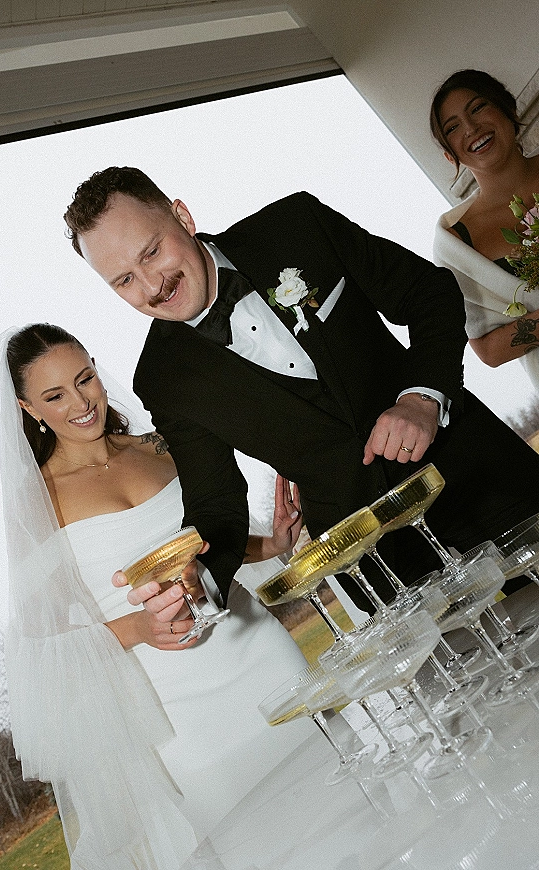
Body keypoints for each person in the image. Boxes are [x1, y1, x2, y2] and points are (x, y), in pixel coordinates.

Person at [63, 167, 539, 616]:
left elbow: (428, 292)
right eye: (124, 280)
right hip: (374, 557)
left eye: (151, 252)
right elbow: (215, 499)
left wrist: (422, 397)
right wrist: (199, 575)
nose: (152, 285)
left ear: (183, 217)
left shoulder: (294, 226)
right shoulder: (162, 380)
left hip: (479, 475)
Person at [0, 323, 312, 870]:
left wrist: (273, 544)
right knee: (255, 846)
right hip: (174, 709)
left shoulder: (158, 445)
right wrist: (139, 628)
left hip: (259, 650)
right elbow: (47, 648)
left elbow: (207, 542)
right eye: (55, 396)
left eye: (84, 379)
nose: (80, 403)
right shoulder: (39, 504)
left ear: (96, 368)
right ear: (28, 408)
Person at [431, 69, 539, 390]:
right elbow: (489, 350)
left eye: (478, 108)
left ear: (508, 108)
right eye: (453, 127)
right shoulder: (456, 243)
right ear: (449, 154)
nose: (471, 128)